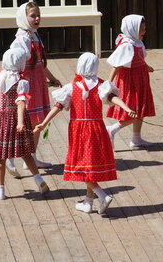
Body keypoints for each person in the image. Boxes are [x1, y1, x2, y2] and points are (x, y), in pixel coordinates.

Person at [34, 53, 136, 214]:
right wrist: (127, 108)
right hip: (96, 128)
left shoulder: (72, 87)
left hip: (79, 130)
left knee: (81, 166)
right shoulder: (101, 85)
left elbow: (58, 106)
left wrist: (44, 122)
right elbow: (112, 98)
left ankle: (101, 194)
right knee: (90, 166)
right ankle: (88, 202)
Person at [0, 48, 50, 200]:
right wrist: (20, 122)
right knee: (25, 153)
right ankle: (39, 179)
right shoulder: (22, 82)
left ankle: (0, 190)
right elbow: (20, 103)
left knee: (0, 158)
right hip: (16, 119)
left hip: (1, 120)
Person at [6, 2, 62, 176]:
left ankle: (31, 155)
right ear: (24, 17)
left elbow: (40, 63)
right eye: (33, 15)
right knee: (25, 122)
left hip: (37, 83)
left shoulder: (34, 36)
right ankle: (10, 156)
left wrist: (52, 78)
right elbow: (16, 65)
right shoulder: (21, 40)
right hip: (27, 84)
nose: (37, 18)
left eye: (38, 15)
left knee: (38, 121)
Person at [104, 14, 155, 148]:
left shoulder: (136, 41)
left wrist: (146, 66)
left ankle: (136, 138)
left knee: (140, 107)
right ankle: (113, 129)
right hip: (130, 81)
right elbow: (117, 65)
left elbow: (139, 57)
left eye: (144, 29)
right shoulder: (127, 45)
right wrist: (109, 82)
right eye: (141, 29)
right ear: (132, 29)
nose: (144, 32)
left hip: (140, 77)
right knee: (133, 109)